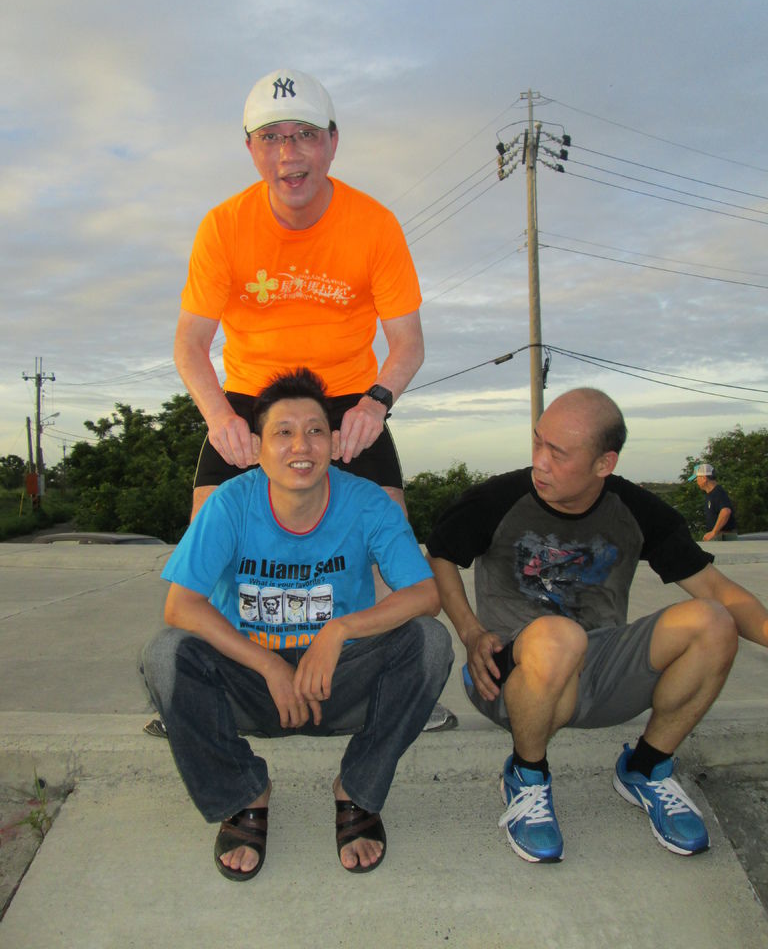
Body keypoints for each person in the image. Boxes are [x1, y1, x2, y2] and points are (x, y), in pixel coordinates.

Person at [144, 66, 456, 735]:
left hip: (347, 400)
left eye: (306, 135)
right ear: (251, 148)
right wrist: (221, 419)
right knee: (207, 539)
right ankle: (204, 693)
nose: (290, 153)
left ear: (333, 143)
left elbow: (407, 344)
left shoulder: (374, 223)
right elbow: (189, 346)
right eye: (272, 137)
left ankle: (391, 690)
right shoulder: (223, 226)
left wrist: (375, 404)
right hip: (251, 401)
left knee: (391, 539)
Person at [425, 388, 768, 863]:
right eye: (538, 442)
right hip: (512, 674)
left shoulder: (635, 510)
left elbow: (719, 590)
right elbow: (441, 554)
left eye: (558, 453)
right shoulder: (497, 499)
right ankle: (527, 775)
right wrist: (470, 632)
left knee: (713, 620)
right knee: (558, 636)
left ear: (604, 464)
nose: (539, 462)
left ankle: (646, 768)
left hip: (602, 671)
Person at [141, 369, 453, 880]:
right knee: (165, 653)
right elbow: (182, 606)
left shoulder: (367, 502)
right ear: (258, 447)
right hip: (251, 689)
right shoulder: (230, 503)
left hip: (336, 683)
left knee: (430, 643)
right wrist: (269, 666)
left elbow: (426, 596)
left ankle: (357, 790)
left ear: (335, 443)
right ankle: (245, 793)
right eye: (282, 432)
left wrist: (338, 632)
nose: (300, 446)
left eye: (315, 431)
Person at [689, 463, 739, 541]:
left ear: (704, 478)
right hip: (719, 537)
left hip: (724, 538)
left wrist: (713, 532)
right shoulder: (710, 494)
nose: (697, 482)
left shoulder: (718, 492)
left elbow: (726, 511)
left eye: (696, 479)